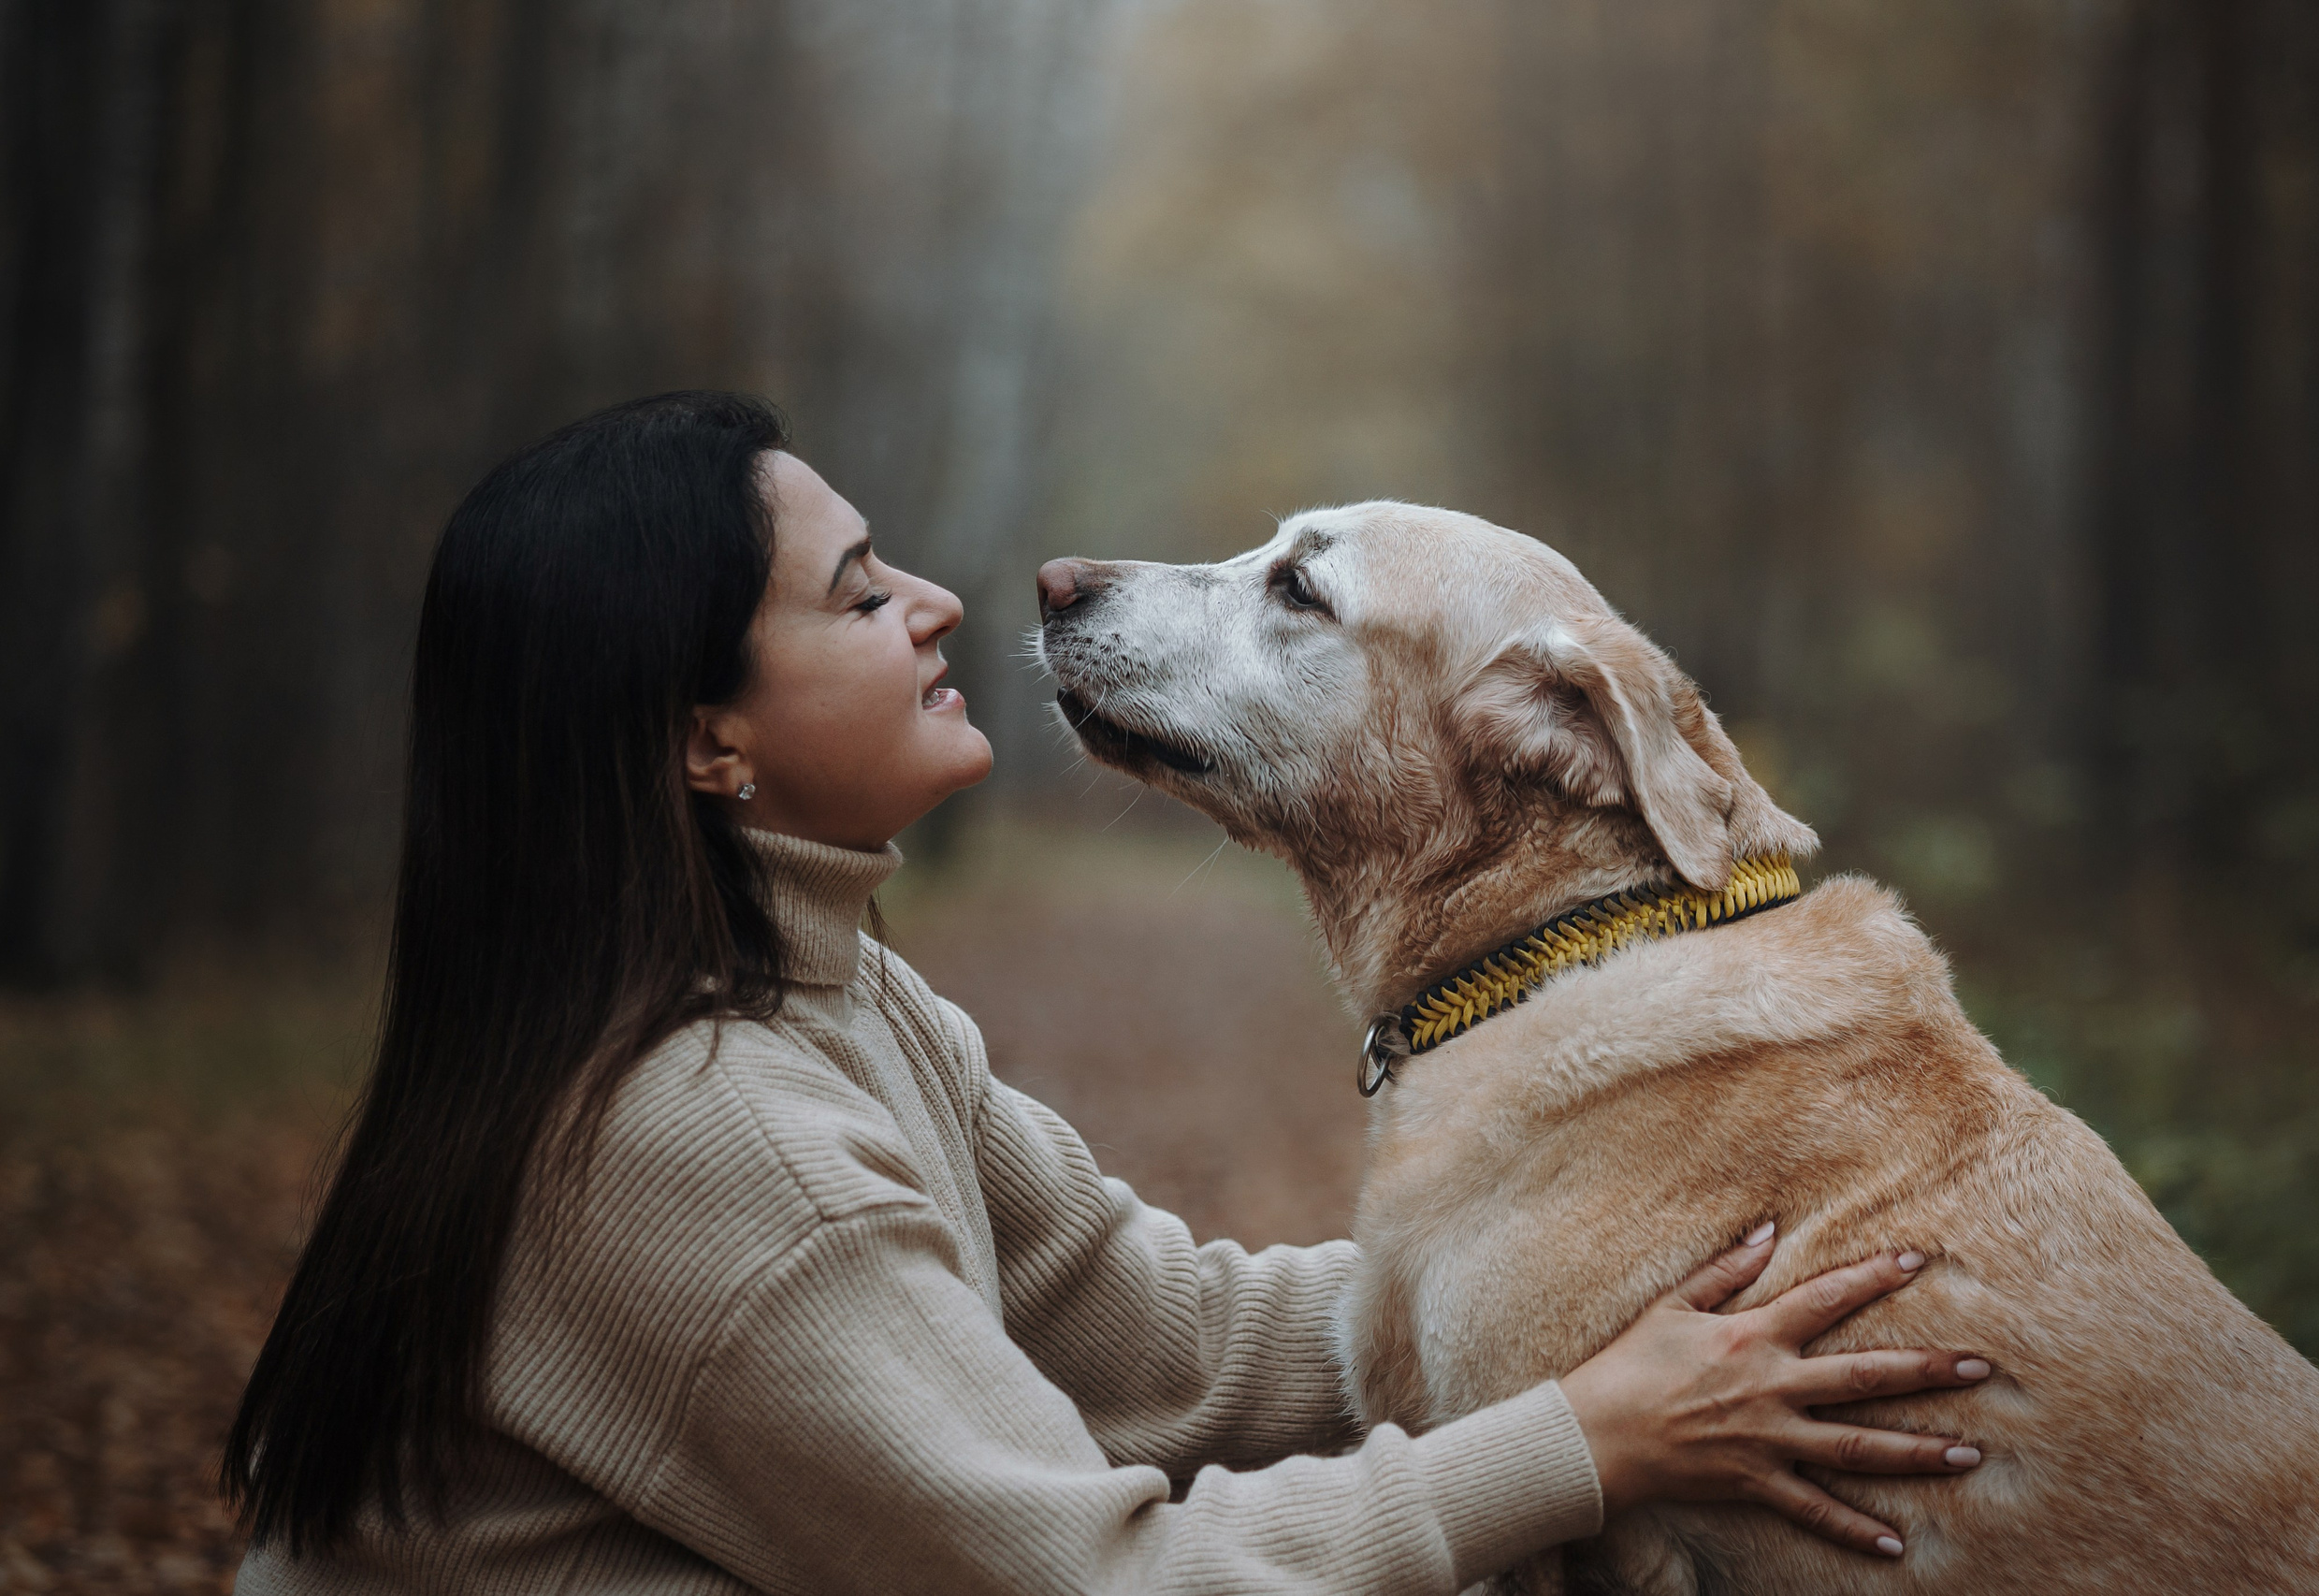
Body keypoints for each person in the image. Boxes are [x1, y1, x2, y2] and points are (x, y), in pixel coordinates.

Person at [223, 392, 1990, 1594]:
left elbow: (1183, 1349)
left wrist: (1589, 1266)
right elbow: (1100, 1578)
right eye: (856, 595)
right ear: (708, 739)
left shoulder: (828, 1000)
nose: (936, 603)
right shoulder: (699, 1135)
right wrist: (1579, 1438)